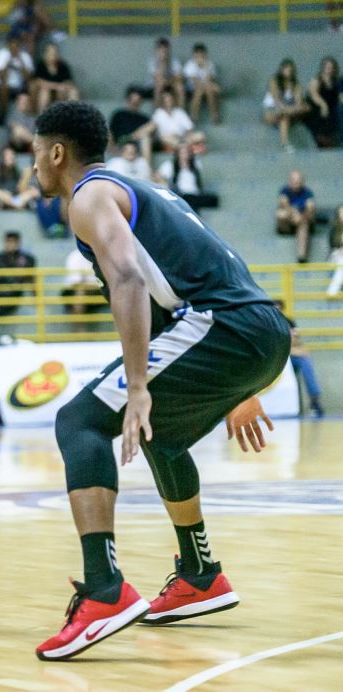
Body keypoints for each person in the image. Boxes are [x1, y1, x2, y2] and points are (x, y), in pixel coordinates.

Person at [29, 101, 290, 661]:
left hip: (224, 324)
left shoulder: (88, 196)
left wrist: (138, 383)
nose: (32, 170)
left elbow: (125, 276)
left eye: (34, 156)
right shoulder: (136, 188)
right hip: (256, 326)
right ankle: (199, 575)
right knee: (159, 436)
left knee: (78, 421)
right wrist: (239, 385)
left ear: (56, 152)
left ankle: (104, 590)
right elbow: (194, 271)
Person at [273, 300, 323, 417]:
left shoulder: (289, 322)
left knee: (305, 361)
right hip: (274, 358)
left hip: (288, 358)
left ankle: (314, 400)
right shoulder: (264, 323)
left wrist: (298, 350)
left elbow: (296, 342)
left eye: (279, 309)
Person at [263, 58, 310, 152]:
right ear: (281, 69)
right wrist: (288, 109)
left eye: (291, 70)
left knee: (288, 117)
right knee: (283, 115)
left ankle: (285, 144)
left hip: (288, 112)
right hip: (272, 110)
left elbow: (298, 102)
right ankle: (285, 143)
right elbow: (276, 99)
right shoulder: (274, 80)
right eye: (287, 69)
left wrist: (293, 109)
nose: (289, 72)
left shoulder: (296, 84)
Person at [0, 34, 34, 125]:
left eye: (17, 44)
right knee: (4, 87)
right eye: (12, 44)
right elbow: (1, 77)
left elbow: (28, 78)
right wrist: (8, 61)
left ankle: (34, 119)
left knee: (33, 87)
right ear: (8, 44)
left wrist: (20, 60)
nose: (14, 47)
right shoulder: (0, 55)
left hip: (18, 87)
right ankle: (1, 117)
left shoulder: (25, 56)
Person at [156, 143, 218, 211]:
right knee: (185, 199)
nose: (185, 155)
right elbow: (157, 176)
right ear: (178, 154)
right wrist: (165, 184)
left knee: (213, 199)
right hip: (181, 194)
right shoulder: (170, 165)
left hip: (195, 195)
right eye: (182, 153)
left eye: (187, 152)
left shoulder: (195, 164)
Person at [275, 170, 316, 262]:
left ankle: (301, 256)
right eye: (294, 180)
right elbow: (283, 202)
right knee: (280, 214)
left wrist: (300, 218)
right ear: (290, 181)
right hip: (289, 221)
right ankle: (285, 230)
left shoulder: (307, 192)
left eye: (298, 180)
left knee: (304, 225)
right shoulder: (284, 190)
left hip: (302, 221)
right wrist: (294, 214)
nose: (296, 183)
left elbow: (310, 206)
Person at [109, 87, 158, 163]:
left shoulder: (144, 118)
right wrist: (111, 148)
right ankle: (129, 138)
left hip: (137, 144)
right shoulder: (119, 114)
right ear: (128, 100)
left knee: (150, 130)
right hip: (122, 143)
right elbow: (110, 132)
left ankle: (147, 169)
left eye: (138, 101)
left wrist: (132, 137)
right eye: (133, 101)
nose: (135, 103)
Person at [304, 56, 342, 149]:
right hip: (316, 106)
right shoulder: (316, 80)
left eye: (331, 67)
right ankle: (321, 139)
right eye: (327, 66)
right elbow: (313, 94)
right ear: (323, 67)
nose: (329, 69)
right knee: (320, 115)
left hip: (331, 107)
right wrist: (323, 105)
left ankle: (331, 140)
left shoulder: (336, 81)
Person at [32, 43, 79, 114]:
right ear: (46, 54)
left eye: (54, 53)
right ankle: (42, 116)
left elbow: (68, 81)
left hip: (61, 91)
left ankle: (73, 115)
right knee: (44, 92)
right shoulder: (40, 65)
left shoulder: (62, 65)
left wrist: (64, 86)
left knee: (73, 91)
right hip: (47, 91)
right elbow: (38, 81)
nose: (52, 55)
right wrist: (56, 86)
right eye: (50, 53)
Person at [183, 43, 221, 125]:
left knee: (209, 91)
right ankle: (193, 117)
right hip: (191, 89)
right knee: (201, 90)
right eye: (198, 53)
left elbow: (209, 79)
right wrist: (213, 86)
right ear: (194, 55)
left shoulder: (209, 64)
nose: (200, 56)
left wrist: (205, 67)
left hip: (206, 88)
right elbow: (196, 82)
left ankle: (214, 116)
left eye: (202, 53)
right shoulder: (189, 65)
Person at [146, 37, 185, 109]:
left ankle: (180, 112)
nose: (164, 51)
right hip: (154, 85)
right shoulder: (152, 62)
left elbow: (180, 76)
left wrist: (169, 81)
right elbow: (157, 78)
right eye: (161, 49)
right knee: (159, 85)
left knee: (180, 87)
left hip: (170, 83)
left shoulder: (174, 61)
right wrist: (162, 62)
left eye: (166, 49)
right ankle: (156, 112)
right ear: (157, 50)